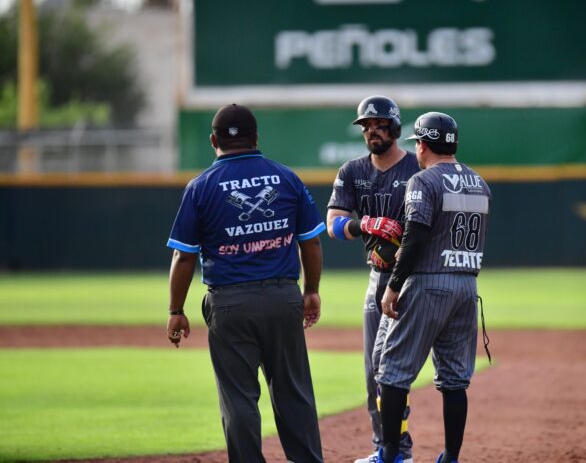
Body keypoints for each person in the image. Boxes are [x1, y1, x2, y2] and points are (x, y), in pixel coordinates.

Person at [165, 104, 326, 462]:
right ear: (256, 137)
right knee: (294, 394)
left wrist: (176, 310)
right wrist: (311, 290)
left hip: (229, 304)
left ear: (212, 140)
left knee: (238, 399)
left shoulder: (200, 187)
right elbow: (311, 242)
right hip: (283, 298)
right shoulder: (285, 177)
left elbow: (185, 257)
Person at [376, 112, 492, 463]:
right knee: (455, 380)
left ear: (423, 145)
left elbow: (416, 236)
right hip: (466, 287)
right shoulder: (479, 182)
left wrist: (394, 285)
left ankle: (389, 454)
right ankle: (451, 457)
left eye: (418, 145)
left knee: (393, 372)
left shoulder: (423, 181)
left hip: (428, 281)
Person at [326, 95, 420, 463]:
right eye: (366, 126)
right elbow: (332, 224)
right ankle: (387, 449)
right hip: (378, 277)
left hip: (413, 278)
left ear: (395, 128)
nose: (372, 132)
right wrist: (364, 223)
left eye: (379, 125)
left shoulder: (416, 168)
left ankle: (404, 450)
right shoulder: (352, 171)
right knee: (373, 370)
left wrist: (400, 242)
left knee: (397, 368)